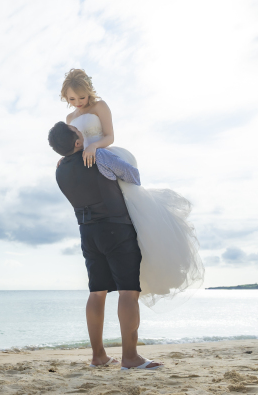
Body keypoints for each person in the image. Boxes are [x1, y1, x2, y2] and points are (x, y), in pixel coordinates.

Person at [59, 68, 204, 308]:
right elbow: (71, 145)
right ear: (65, 98)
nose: (78, 103)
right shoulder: (69, 120)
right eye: (72, 99)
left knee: (131, 203)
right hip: (85, 163)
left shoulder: (100, 106)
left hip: (102, 153)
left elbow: (109, 136)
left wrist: (94, 148)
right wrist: (66, 158)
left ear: (89, 93)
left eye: (82, 98)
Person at [49, 121, 161, 370]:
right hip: (116, 230)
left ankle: (98, 356)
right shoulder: (99, 156)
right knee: (128, 291)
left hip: (87, 233)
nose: (82, 133)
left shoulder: (59, 171)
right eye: (79, 133)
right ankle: (130, 358)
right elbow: (133, 175)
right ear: (78, 143)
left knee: (97, 292)